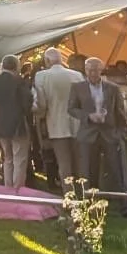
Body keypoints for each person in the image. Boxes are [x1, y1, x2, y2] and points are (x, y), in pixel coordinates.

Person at [68, 57, 127, 215]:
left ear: (101, 70)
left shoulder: (112, 88)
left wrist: (120, 132)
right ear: (85, 70)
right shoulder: (77, 87)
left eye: (95, 70)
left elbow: (120, 112)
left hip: (109, 133)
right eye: (89, 70)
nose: (92, 73)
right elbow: (71, 108)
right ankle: (90, 204)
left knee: (117, 170)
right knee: (88, 172)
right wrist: (88, 116)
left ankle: (125, 206)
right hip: (88, 134)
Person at [33, 47, 86, 186]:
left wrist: (38, 114)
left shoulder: (41, 76)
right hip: (77, 123)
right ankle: (85, 196)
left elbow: (42, 105)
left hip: (56, 124)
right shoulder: (77, 75)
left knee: (64, 164)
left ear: (47, 60)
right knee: (80, 163)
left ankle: (69, 198)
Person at [0, 55, 33, 190]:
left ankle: (8, 188)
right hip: (18, 124)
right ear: (17, 67)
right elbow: (27, 102)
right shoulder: (19, 81)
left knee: (7, 157)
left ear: (3, 66)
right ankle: (18, 189)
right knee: (19, 159)